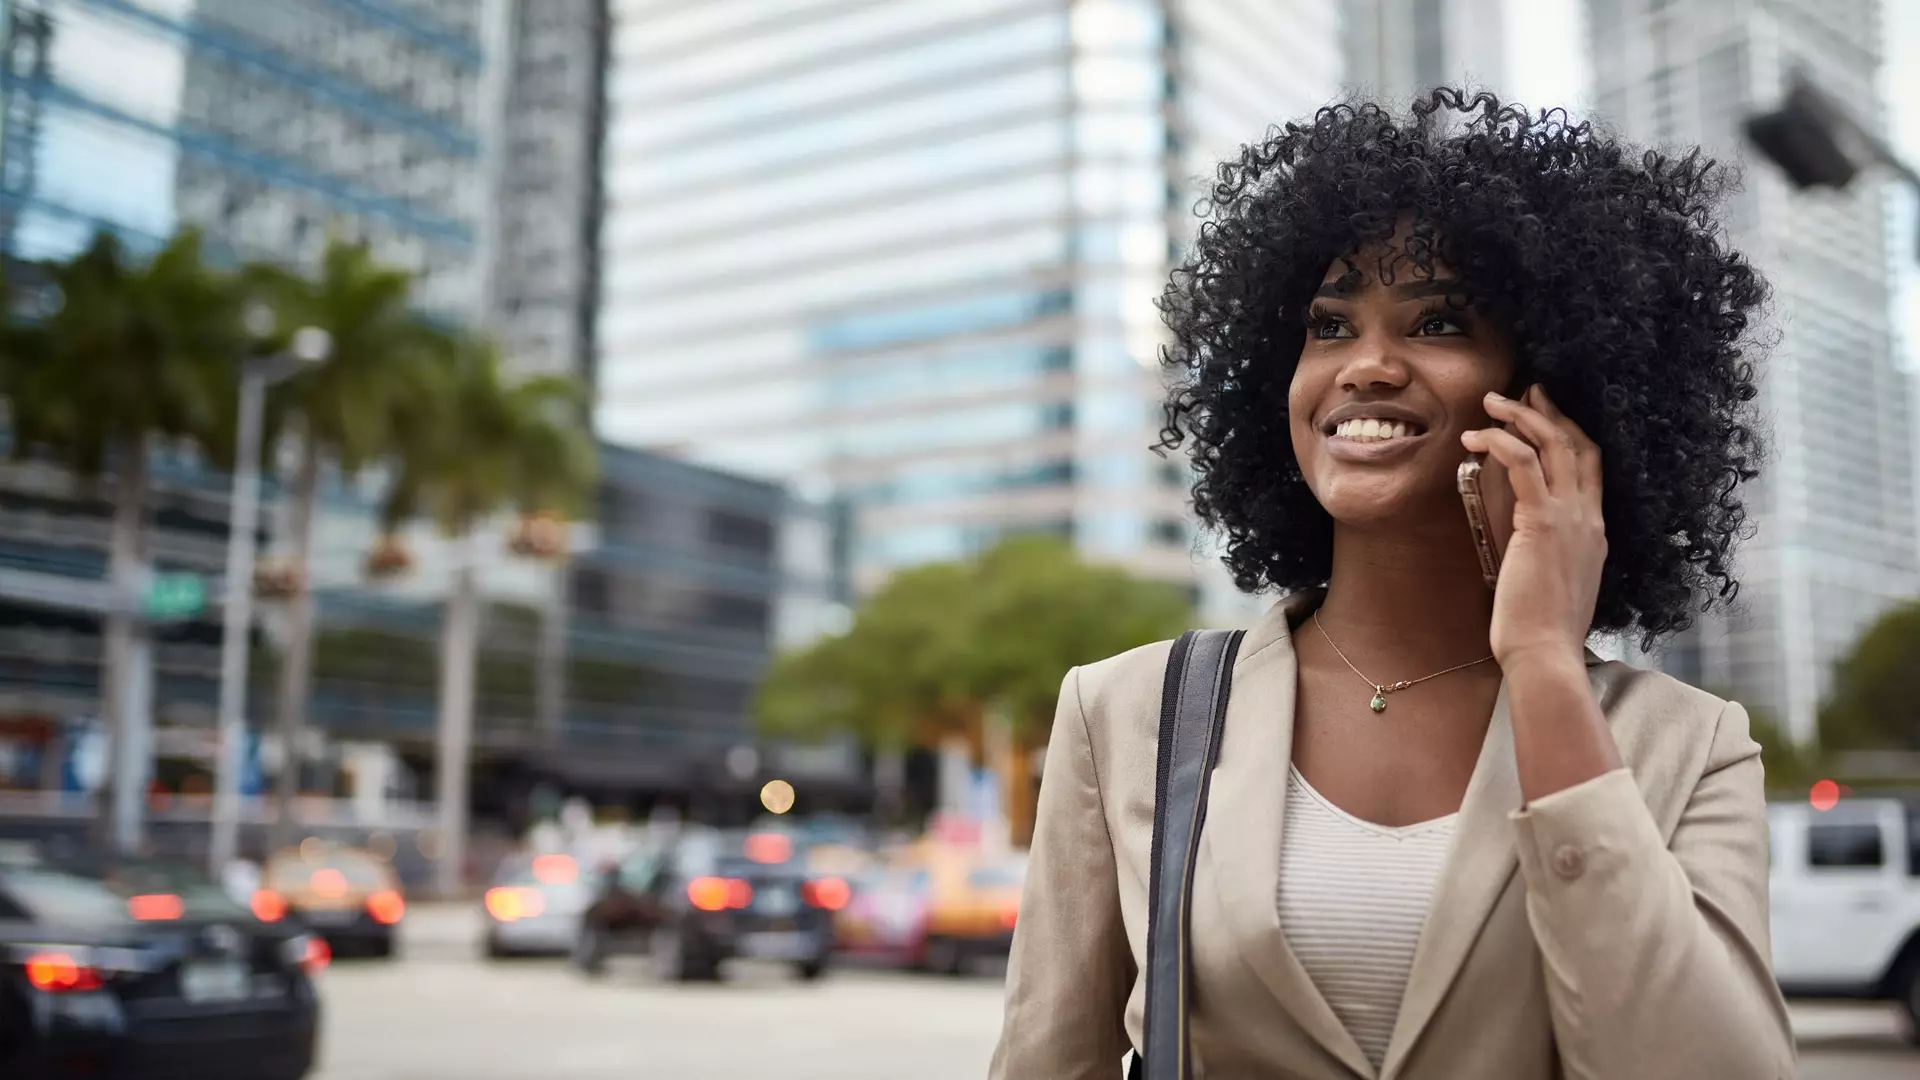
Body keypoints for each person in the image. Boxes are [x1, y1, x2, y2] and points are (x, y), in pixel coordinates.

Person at [991, 89, 1794, 1080]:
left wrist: (1543, 663)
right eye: (1328, 326)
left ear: (1556, 393)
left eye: (1440, 321)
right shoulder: (1124, 715)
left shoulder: (1687, 748)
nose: (1366, 364)